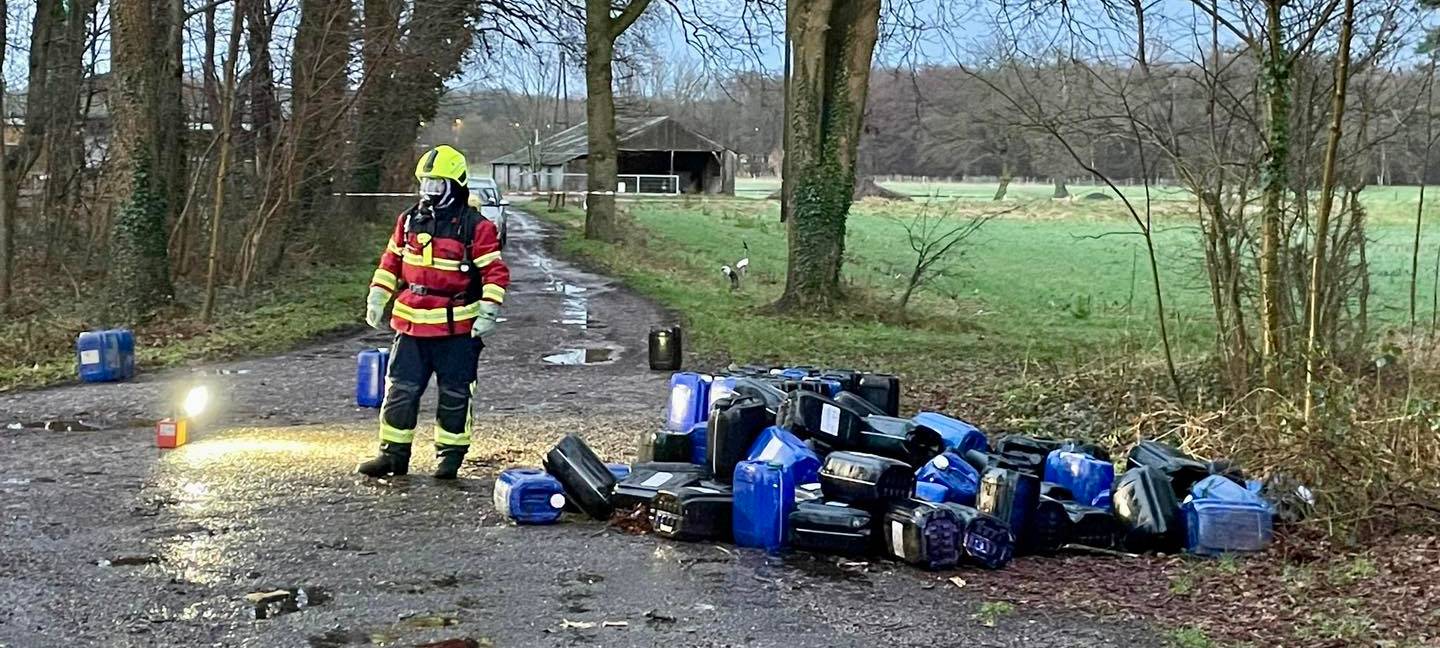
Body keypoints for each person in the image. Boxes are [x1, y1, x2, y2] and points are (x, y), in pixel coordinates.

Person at [358, 145, 510, 480]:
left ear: (455, 184)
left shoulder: (476, 227)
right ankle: (392, 456)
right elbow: (391, 262)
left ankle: (449, 458)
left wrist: (488, 309)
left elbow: (494, 272)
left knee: (455, 395)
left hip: (456, 330)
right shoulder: (410, 219)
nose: (429, 191)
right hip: (411, 326)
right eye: (425, 183)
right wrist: (377, 296)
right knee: (399, 391)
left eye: (437, 184)